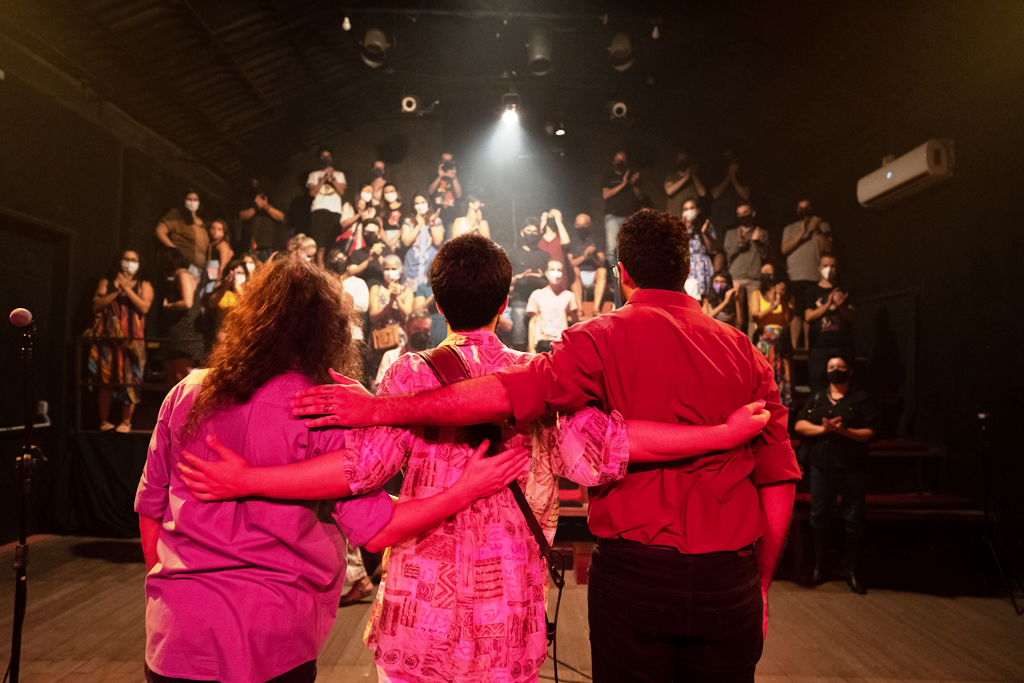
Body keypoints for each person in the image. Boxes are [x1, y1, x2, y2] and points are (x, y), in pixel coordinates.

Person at [179, 233, 771, 683]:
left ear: (435, 301)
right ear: (507, 299)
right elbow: (614, 446)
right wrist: (720, 433)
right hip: (506, 619)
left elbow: (358, 473)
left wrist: (248, 479)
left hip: (418, 618)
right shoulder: (541, 380)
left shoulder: (407, 373)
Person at [137, 258, 528, 683]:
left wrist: (180, 593)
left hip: (175, 632)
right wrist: (462, 490)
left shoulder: (185, 392)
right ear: (329, 329)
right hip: (271, 636)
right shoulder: (319, 408)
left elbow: (151, 512)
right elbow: (376, 530)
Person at [794, 353, 879, 594]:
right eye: (831, 366)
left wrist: (844, 432)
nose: (836, 370)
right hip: (822, 466)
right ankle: (819, 566)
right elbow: (799, 425)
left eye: (841, 366)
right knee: (819, 516)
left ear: (849, 370)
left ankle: (852, 570)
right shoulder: (818, 397)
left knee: (854, 518)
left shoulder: (862, 399)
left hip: (854, 467)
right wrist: (824, 429)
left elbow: (871, 432)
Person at [89, 249, 153, 432]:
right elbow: (96, 305)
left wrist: (127, 289)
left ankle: (126, 422)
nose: (129, 262)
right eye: (126, 259)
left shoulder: (144, 285)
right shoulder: (106, 283)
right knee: (105, 380)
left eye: (133, 259)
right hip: (108, 340)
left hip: (133, 341)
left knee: (131, 380)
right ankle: (104, 421)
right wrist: (117, 292)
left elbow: (144, 307)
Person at [781, 200, 833, 349]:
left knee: (809, 313)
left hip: (815, 276)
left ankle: (810, 347)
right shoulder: (789, 228)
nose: (804, 210)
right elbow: (784, 249)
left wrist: (816, 230)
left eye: (807, 207)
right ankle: (794, 347)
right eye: (800, 208)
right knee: (796, 312)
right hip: (795, 276)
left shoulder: (823, 226)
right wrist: (803, 233)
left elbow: (828, 249)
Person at [803, 254, 856, 392]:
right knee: (817, 384)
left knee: (842, 385)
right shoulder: (812, 291)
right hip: (819, 347)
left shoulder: (846, 290)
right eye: (826, 266)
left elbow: (853, 317)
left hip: (841, 346)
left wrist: (841, 305)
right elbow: (808, 316)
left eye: (832, 266)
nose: (829, 269)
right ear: (820, 268)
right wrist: (828, 304)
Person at [602, 150, 644, 306]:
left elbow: (640, 197)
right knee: (612, 250)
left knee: (627, 252)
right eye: (618, 160)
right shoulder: (609, 176)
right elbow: (606, 195)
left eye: (623, 160)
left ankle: (625, 276)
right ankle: (615, 275)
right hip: (612, 216)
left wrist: (633, 184)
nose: (621, 163)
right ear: (614, 162)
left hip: (628, 217)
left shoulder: (633, 175)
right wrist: (623, 183)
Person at [159, 249, 204, 385]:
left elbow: (187, 302)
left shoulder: (182, 275)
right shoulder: (185, 276)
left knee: (180, 379)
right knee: (175, 378)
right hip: (179, 338)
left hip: (184, 337)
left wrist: (169, 306)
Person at [723, 203, 770, 334]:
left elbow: (765, 255)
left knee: (753, 314)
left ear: (752, 213)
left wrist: (757, 241)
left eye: (745, 213)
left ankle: (751, 345)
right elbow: (727, 255)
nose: (742, 216)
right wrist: (739, 244)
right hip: (735, 276)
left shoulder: (761, 233)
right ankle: (734, 344)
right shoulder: (731, 234)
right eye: (739, 214)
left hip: (754, 278)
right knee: (736, 313)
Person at [750, 272, 794, 407]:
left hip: (781, 341)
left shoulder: (786, 297)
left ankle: (782, 405)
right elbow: (755, 316)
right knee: (765, 374)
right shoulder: (757, 294)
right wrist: (773, 307)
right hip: (765, 341)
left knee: (782, 374)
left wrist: (783, 298)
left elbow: (787, 320)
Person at [368, 255, 414, 378]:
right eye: (387, 269)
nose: (390, 272)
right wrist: (389, 304)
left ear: (400, 270)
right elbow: (373, 317)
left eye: (393, 269)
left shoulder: (407, 292)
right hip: (380, 341)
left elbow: (409, 317)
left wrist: (397, 299)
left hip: (400, 342)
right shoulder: (376, 289)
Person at [509, 218, 551, 351]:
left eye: (534, 231)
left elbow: (551, 281)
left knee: (541, 338)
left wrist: (541, 278)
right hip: (520, 300)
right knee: (519, 335)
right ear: (522, 232)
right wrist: (517, 278)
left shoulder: (545, 255)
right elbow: (506, 280)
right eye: (528, 230)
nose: (532, 234)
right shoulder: (514, 254)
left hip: (541, 303)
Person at [306, 147, 348, 266]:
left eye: (328, 156)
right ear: (319, 159)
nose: (326, 159)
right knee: (320, 244)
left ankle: (332, 268)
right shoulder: (314, 175)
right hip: (318, 210)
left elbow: (341, 191)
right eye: (323, 156)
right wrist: (323, 179)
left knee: (332, 242)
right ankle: (320, 269)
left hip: (334, 211)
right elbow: (312, 193)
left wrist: (332, 178)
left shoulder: (339, 175)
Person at [527, 259, 578, 354]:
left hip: (561, 343)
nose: (556, 273)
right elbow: (533, 323)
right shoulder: (537, 294)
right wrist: (531, 347)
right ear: (546, 273)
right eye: (552, 269)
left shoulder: (569, 296)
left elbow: (575, 323)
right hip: (542, 342)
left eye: (559, 270)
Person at [154, 189, 208, 278]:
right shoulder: (176, 215)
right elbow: (160, 231)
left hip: (200, 271)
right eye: (189, 199)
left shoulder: (202, 223)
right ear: (184, 200)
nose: (192, 202)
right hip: (183, 268)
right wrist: (176, 252)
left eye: (195, 200)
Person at [567, 213, 608, 316]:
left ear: (589, 225)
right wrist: (584, 257)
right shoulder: (572, 240)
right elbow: (570, 263)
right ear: (575, 225)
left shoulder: (597, 239)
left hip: (593, 275)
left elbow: (602, 262)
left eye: (584, 225)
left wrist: (594, 255)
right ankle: (579, 309)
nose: (581, 228)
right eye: (578, 225)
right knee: (574, 270)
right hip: (578, 276)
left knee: (602, 271)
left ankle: (596, 309)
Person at [401, 193, 445, 288]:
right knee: (411, 289)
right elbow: (406, 241)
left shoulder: (436, 220)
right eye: (417, 203)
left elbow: (438, 241)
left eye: (422, 202)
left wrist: (432, 223)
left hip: (430, 259)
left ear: (428, 204)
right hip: (413, 260)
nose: (420, 205)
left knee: (429, 289)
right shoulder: (408, 221)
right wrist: (419, 225)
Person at [237, 178, 286, 261]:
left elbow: (281, 217)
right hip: (251, 247)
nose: (254, 185)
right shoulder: (248, 197)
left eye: (256, 183)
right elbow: (242, 216)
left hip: (271, 247)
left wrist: (266, 207)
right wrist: (256, 207)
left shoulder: (274, 197)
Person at [681, 199, 719, 300]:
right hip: (686, 265)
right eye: (686, 209)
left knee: (702, 299)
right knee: (687, 297)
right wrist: (683, 230)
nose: (689, 211)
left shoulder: (705, 225)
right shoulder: (679, 227)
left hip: (702, 266)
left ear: (697, 210)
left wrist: (705, 233)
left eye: (691, 208)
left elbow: (712, 249)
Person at [709, 150, 750, 237]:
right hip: (719, 220)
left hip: (736, 220)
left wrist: (734, 179)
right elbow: (715, 194)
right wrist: (729, 176)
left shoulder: (741, 177)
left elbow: (745, 196)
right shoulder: (718, 175)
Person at [663, 149, 706, 219]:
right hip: (675, 221)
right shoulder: (671, 176)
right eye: (678, 159)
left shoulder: (694, 179)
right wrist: (686, 177)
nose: (681, 161)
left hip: (690, 223)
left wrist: (692, 174)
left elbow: (703, 193)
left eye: (683, 159)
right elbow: (669, 191)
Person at [427, 151, 462, 232]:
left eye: (449, 161)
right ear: (439, 161)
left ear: (453, 162)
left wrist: (453, 178)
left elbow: (459, 195)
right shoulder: (434, 175)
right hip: (436, 216)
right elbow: (429, 192)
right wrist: (440, 176)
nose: (446, 163)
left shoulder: (457, 175)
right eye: (444, 161)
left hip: (453, 217)